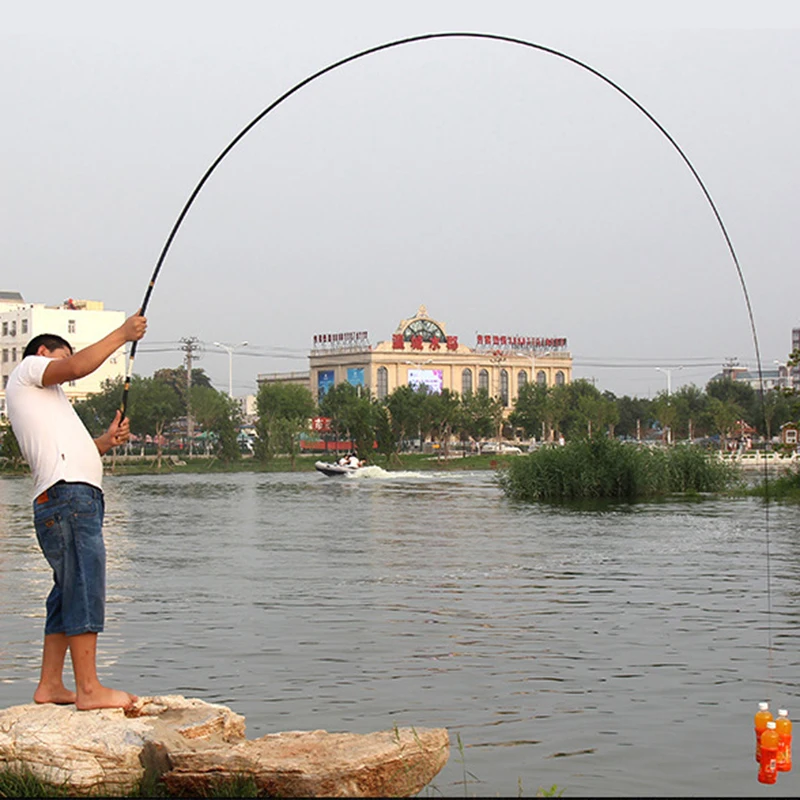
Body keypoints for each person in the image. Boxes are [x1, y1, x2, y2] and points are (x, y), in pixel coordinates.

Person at [6, 312, 147, 710]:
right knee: (85, 584)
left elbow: (74, 452)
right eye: (61, 356)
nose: (66, 368)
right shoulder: (30, 369)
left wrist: (104, 441)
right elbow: (78, 365)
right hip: (68, 499)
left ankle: (50, 684)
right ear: (43, 352)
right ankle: (89, 688)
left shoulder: (50, 402)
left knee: (66, 593)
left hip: (67, 498)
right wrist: (122, 334)